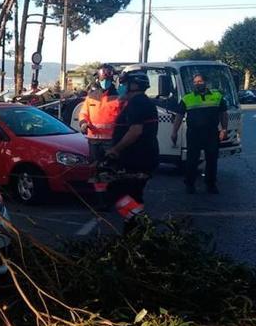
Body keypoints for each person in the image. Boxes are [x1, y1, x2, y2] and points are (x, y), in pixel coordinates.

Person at [105, 71, 159, 228]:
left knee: (117, 192)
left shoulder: (137, 103)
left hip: (137, 159)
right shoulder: (143, 102)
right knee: (133, 195)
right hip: (142, 158)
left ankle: (140, 225)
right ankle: (134, 228)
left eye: (124, 84)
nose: (121, 87)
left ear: (133, 85)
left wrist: (115, 149)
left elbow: (135, 131)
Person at [172, 73, 228, 194]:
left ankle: (211, 184)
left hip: (212, 133)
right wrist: (174, 131)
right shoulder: (187, 98)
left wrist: (224, 129)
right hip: (194, 133)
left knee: (212, 159)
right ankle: (189, 184)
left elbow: (223, 114)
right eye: (195, 82)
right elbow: (179, 116)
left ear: (206, 82)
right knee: (192, 159)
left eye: (200, 81)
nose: (197, 84)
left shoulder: (217, 96)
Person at [78, 64, 123, 163]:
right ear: (98, 79)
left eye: (108, 79)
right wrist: (83, 123)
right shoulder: (91, 97)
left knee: (110, 169)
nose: (105, 82)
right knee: (94, 168)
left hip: (111, 141)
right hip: (93, 141)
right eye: (103, 79)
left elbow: (124, 118)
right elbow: (83, 113)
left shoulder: (118, 98)